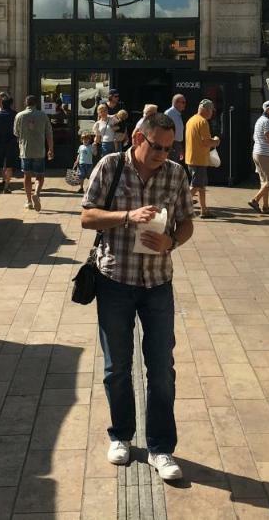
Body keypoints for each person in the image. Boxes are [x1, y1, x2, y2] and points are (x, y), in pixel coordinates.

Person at [80, 112, 193, 482]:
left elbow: (187, 221)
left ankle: (161, 448)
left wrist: (172, 241)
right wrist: (127, 216)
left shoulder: (176, 174)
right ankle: (121, 436)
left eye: (168, 147)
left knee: (161, 369)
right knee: (117, 367)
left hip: (158, 282)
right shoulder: (110, 167)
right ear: (137, 139)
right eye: (156, 146)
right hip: (116, 280)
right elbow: (87, 217)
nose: (162, 154)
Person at [13, 94, 54, 211]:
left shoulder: (19, 116)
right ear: (36, 103)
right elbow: (49, 134)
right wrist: (51, 149)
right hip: (39, 150)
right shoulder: (43, 115)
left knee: (27, 175)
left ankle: (29, 201)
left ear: (26, 103)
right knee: (40, 175)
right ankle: (36, 193)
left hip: (25, 150)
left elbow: (16, 133)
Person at [184, 99, 220, 219]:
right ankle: (178, 206)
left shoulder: (191, 120)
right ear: (205, 110)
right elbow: (206, 142)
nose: (212, 113)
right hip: (198, 159)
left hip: (192, 157)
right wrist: (216, 141)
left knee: (201, 186)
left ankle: (204, 210)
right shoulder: (203, 122)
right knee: (196, 185)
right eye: (211, 110)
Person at [163, 94, 186, 163]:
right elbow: (165, 130)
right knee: (170, 166)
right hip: (171, 145)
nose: (185, 104)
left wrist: (180, 147)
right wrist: (169, 146)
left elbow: (178, 132)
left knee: (175, 166)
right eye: (183, 102)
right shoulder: (169, 113)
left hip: (177, 144)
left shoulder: (177, 113)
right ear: (176, 102)